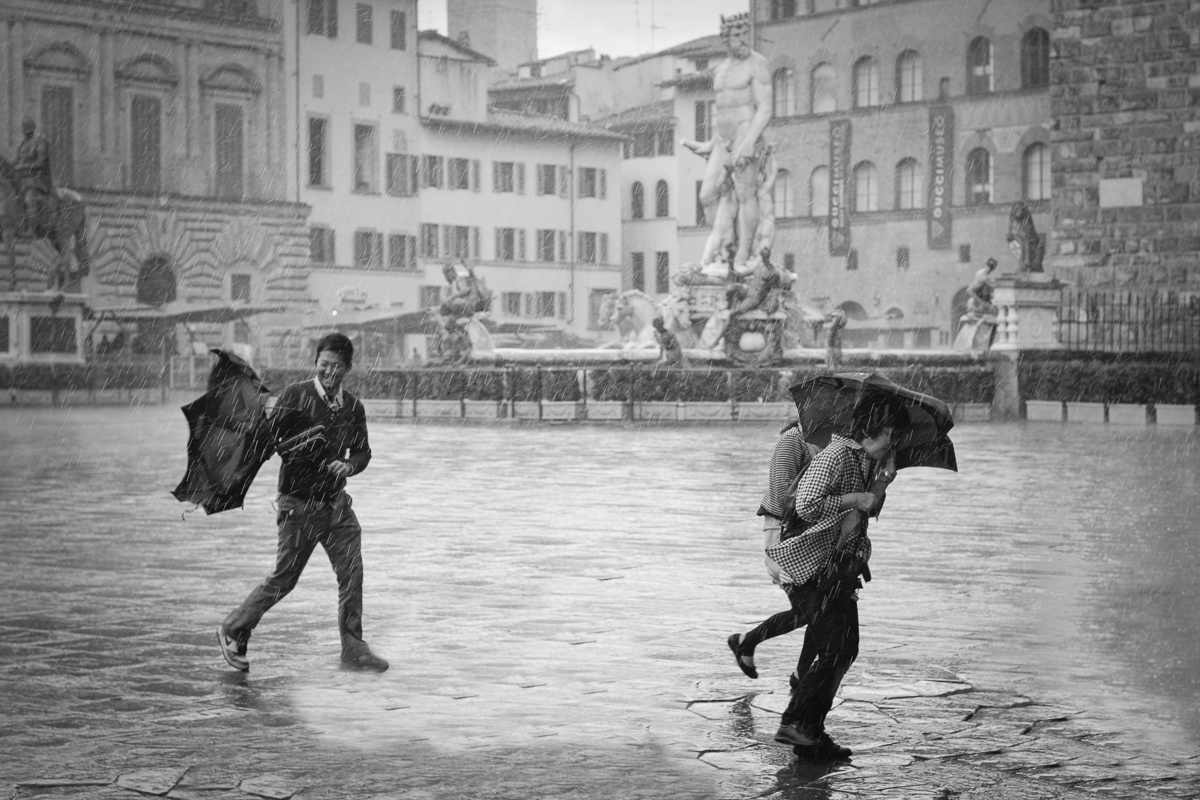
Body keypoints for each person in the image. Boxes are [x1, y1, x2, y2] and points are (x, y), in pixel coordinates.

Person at [217, 332, 389, 672]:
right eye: (324, 364)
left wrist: (350, 464)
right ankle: (234, 627)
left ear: (348, 368)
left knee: (352, 575)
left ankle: (354, 648)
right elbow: (268, 440)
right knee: (284, 578)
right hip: (298, 504)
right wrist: (301, 447)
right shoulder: (296, 395)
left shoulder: (353, 407)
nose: (329, 372)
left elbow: (363, 451)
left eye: (337, 366)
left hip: (337, 505)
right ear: (316, 362)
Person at [766, 401, 899, 759]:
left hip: (841, 569)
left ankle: (809, 733)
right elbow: (807, 505)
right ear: (873, 431)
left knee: (843, 651)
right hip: (814, 568)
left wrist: (883, 482)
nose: (894, 443)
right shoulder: (837, 454)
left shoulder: (869, 463)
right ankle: (797, 722)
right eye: (890, 434)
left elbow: (866, 511)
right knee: (835, 651)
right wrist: (855, 496)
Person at [727, 419, 818, 688]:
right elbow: (782, 495)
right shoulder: (794, 439)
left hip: (808, 535)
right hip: (784, 531)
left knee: (820, 607)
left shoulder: (827, 442)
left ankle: (797, 674)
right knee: (812, 610)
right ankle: (747, 643)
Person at [681, 13, 774, 274]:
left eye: (745, 33)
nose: (742, 39)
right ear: (725, 39)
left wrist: (748, 142)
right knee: (707, 194)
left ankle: (743, 253)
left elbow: (765, 107)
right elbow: (722, 111)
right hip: (722, 142)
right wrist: (710, 143)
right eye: (736, 35)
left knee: (746, 196)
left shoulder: (758, 64)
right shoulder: (721, 70)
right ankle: (725, 245)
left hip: (746, 135)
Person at [16, 117, 53, 238]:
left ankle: (31, 230)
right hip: (24, 178)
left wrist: (23, 166)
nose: (24, 130)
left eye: (26, 127)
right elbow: (16, 162)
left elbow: (40, 163)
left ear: (32, 128)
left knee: (29, 199)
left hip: (38, 179)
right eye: (23, 127)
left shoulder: (40, 141)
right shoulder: (22, 144)